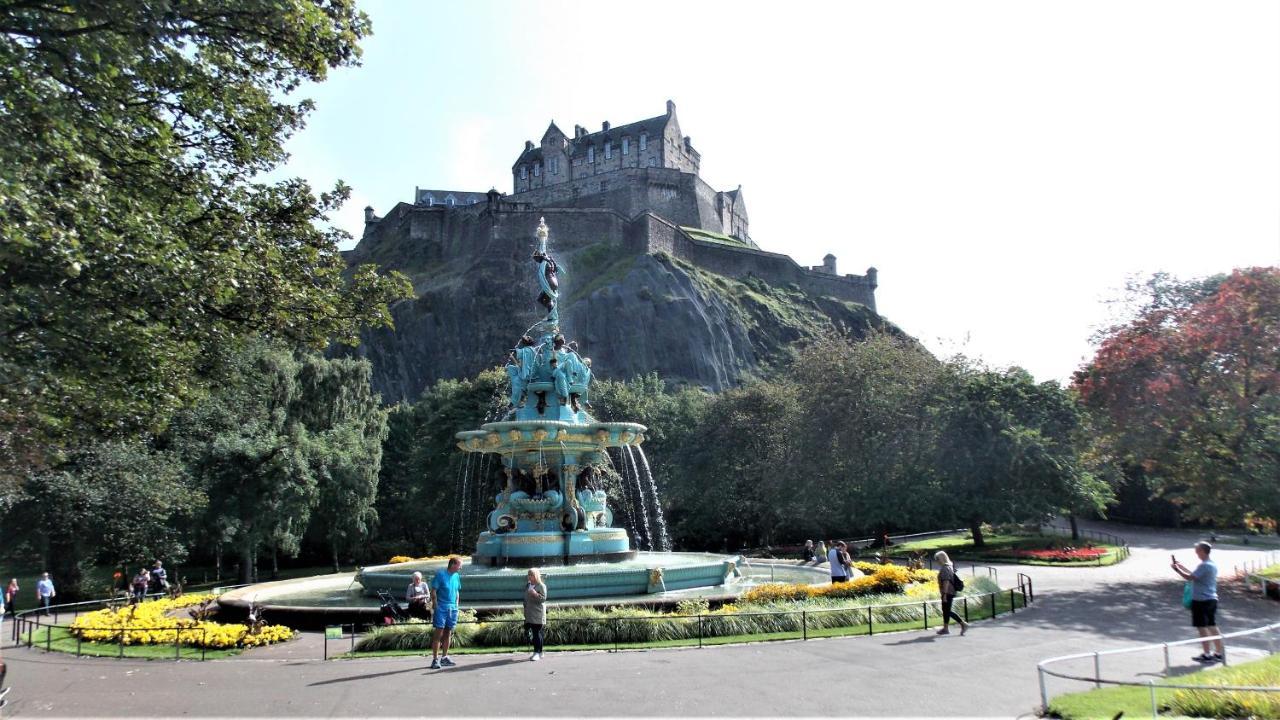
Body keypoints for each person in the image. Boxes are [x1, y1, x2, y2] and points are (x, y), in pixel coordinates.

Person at [1172, 541, 1224, 663]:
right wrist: (1182, 567)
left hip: (1201, 600)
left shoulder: (1204, 565)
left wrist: (1177, 570)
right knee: (1212, 626)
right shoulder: (1211, 564)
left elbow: (1190, 578)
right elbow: (1195, 575)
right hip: (1211, 599)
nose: (1196, 553)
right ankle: (1219, 652)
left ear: (1202, 551)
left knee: (1202, 627)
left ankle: (1207, 653)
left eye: (1197, 550)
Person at [430, 557, 463, 669]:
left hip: (452, 608)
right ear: (453, 564)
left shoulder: (456, 576)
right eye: (459, 565)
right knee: (438, 633)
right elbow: (433, 590)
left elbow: (457, 591)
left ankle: (444, 658)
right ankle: (435, 659)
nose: (461, 567)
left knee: (448, 632)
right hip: (441, 608)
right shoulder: (440, 575)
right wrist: (435, 604)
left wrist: (456, 606)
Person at [934, 551, 969, 635]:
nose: (936, 561)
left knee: (947, 611)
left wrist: (944, 594)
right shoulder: (949, 566)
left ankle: (963, 624)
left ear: (941, 559)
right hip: (950, 592)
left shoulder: (945, 568)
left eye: (937, 559)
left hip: (948, 592)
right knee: (946, 610)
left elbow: (946, 582)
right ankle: (946, 628)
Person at [524, 568, 548, 661]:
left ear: (536, 576)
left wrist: (535, 594)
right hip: (529, 613)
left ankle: (536, 653)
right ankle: (540, 652)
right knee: (537, 633)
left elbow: (543, 599)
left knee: (536, 633)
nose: (529, 577)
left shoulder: (541, 586)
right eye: (529, 575)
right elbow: (525, 598)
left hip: (538, 612)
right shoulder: (528, 585)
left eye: (531, 575)